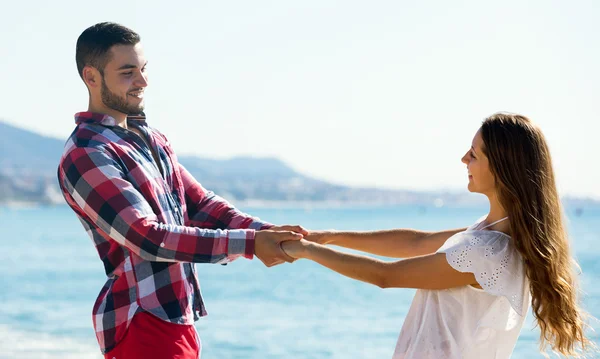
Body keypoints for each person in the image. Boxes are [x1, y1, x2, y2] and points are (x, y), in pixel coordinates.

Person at [57, 22, 306, 359]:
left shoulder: (152, 139)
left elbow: (202, 206)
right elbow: (144, 236)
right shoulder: (87, 152)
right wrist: (251, 245)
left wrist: (267, 232)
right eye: (128, 72)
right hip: (142, 325)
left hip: (176, 321)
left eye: (144, 70)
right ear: (91, 77)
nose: (143, 82)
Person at [282, 113, 594, 358]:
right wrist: (330, 237)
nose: (463, 160)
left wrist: (306, 251)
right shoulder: (492, 234)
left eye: (473, 154)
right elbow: (416, 243)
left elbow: (385, 275)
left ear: (501, 168)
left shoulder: (489, 250)